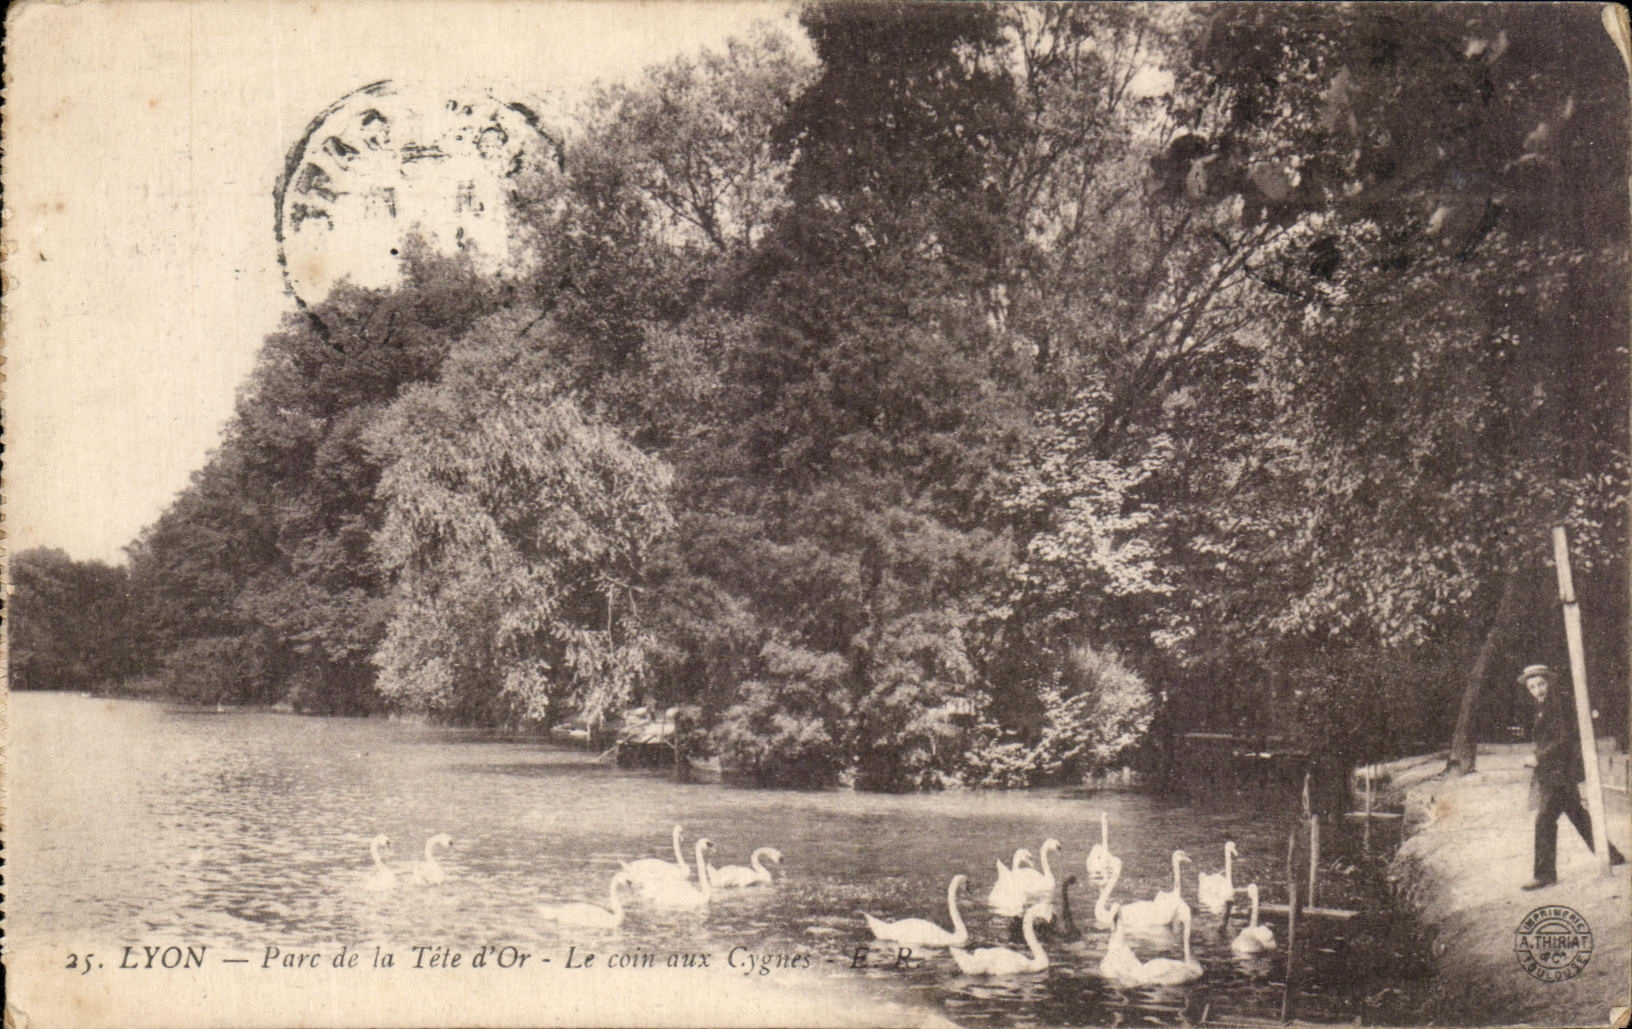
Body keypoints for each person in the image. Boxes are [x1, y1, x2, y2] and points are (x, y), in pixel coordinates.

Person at [1519, 664, 1625, 889]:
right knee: (1578, 815)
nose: (1538, 690)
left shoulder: (1557, 705)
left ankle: (1545, 874)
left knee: (1544, 820)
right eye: (1533, 686)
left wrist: (1539, 756)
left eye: (1541, 684)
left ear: (1549, 682)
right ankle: (1611, 855)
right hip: (1554, 772)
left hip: (1560, 772)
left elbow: (1564, 739)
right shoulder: (1541, 706)